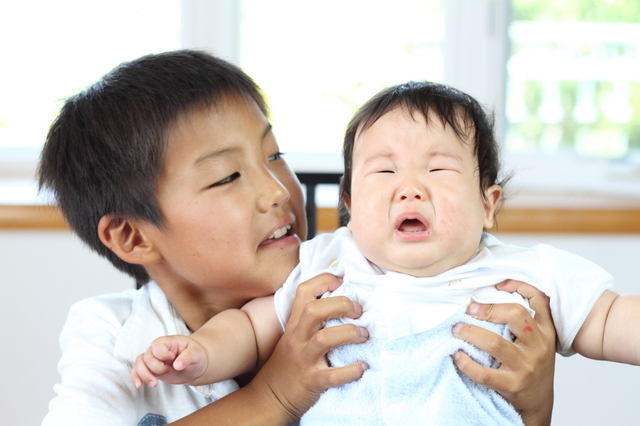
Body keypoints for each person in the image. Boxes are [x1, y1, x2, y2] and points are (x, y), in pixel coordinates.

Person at [39, 50, 555, 426]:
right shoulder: (109, 332)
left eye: (274, 156)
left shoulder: (364, 284)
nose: (276, 191)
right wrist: (276, 395)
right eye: (226, 177)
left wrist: (533, 408)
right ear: (132, 236)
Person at [132, 80, 640, 424]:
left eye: (439, 170)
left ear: (488, 205)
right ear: (350, 204)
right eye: (384, 171)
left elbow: (612, 319)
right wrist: (200, 355)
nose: (410, 188)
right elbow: (249, 327)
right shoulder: (327, 264)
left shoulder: (526, 272)